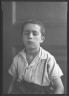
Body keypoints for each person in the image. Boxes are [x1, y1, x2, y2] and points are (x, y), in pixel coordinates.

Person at [8, 19, 64, 94]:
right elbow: (12, 82)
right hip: (21, 91)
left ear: (42, 39)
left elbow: (60, 87)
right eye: (26, 33)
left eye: (35, 34)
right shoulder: (17, 58)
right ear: (22, 38)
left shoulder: (48, 59)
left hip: (42, 91)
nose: (30, 36)